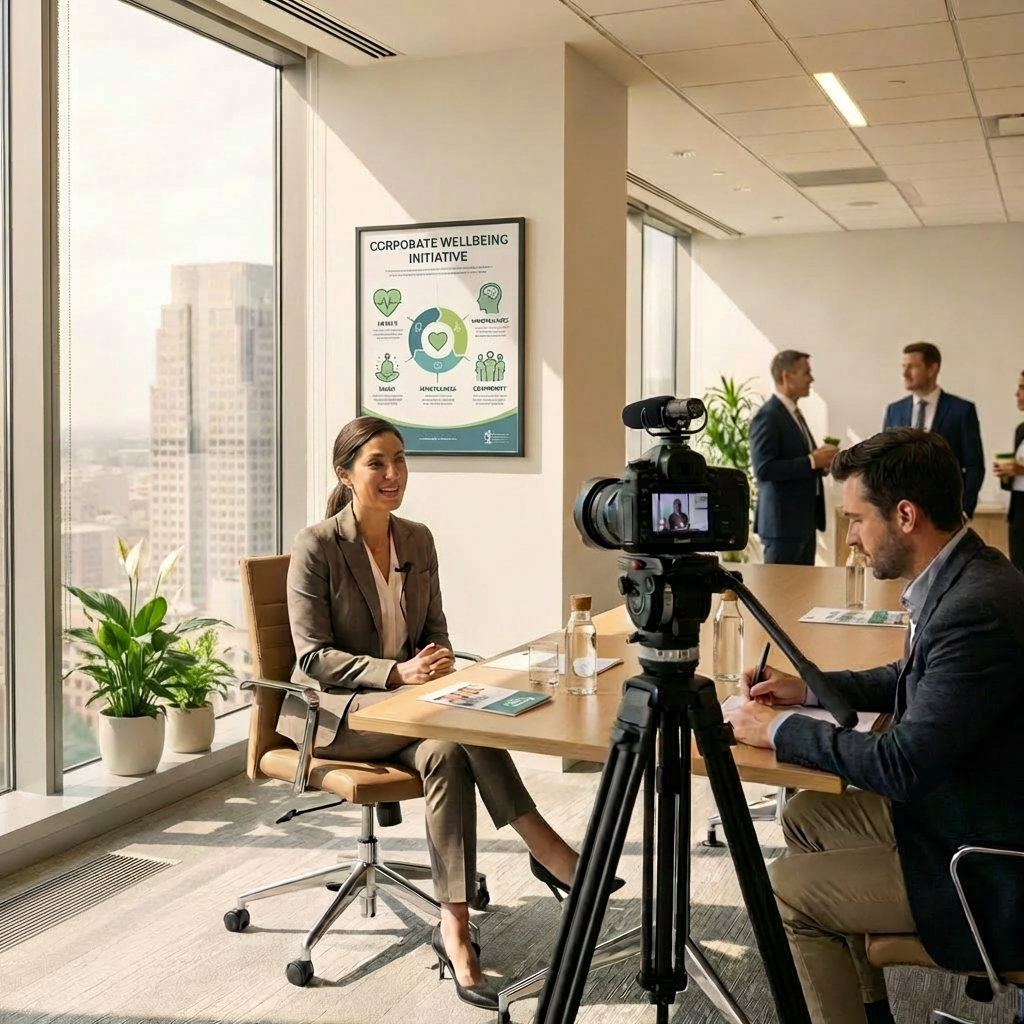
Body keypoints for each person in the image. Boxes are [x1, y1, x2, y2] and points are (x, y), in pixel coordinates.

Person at [277, 416, 587, 1011]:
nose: (393, 473)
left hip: (410, 710)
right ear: (345, 474)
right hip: (336, 715)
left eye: (399, 459)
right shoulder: (317, 545)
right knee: (454, 728)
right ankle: (545, 847)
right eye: (376, 463)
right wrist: (397, 674)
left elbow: (435, 629)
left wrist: (436, 659)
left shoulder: (417, 539)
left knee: (447, 749)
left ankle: (455, 927)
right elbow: (312, 657)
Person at [724, 428, 1024, 1024]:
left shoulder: (974, 608)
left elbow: (901, 765)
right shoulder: (969, 572)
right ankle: (867, 1009)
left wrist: (777, 730)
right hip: (968, 804)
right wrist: (809, 688)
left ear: (905, 516)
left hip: (988, 854)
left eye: (857, 519)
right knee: (806, 815)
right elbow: (914, 676)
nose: (850, 538)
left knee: (785, 890)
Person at [750, 350, 838, 564]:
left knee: (804, 585)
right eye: (806, 373)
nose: (811, 379)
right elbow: (764, 469)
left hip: (803, 525)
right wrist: (812, 461)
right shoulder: (768, 416)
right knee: (778, 586)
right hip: (782, 528)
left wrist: (820, 463)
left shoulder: (793, 413)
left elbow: (799, 460)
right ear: (786, 376)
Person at [882, 342, 985, 519]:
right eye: (903, 366)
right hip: (901, 511)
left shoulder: (961, 410)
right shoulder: (894, 411)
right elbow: (885, 462)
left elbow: (974, 465)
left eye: (911, 367)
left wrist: (965, 509)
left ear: (932, 369)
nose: (904, 373)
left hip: (945, 512)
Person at [993, 371, 1024, 571]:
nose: (1016, 393)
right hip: (1019, 513)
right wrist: (1006, 473)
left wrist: (1020, 470)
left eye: (1022, 387)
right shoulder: (1021, 430)